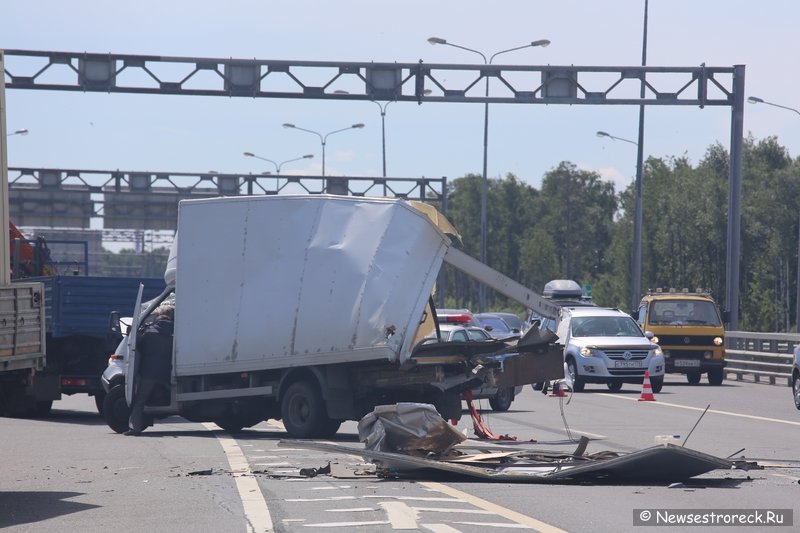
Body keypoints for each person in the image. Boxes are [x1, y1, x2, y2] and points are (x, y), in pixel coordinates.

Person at [126, 303, 174, 435]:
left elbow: (137, 348)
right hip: (167, 373)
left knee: (140, 400)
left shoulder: (149, 331)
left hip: (149, 373)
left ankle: (135, 428)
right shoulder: (175, 333)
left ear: (158, 316)